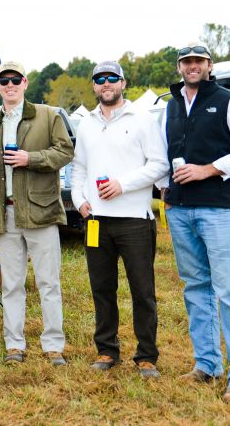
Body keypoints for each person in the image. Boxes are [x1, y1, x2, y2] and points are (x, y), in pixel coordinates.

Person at [162, 43, 230, 404]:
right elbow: (163, 155)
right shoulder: (171, 105)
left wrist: (208, 169)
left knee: (229, 292)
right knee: (195, 288)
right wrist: (164, 190)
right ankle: (207, 364)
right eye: (186, 61)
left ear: (209, 65)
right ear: (180, 67)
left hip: (218, 209)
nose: (192, 66)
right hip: (179, 210)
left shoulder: (228, 101)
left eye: (198, 61)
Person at [71, 61, 169, 378]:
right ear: (95, 86)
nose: (106, 83)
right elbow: (79, 167)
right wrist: (79, 200)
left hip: (134, 220)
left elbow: (159, 165)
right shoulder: (86, 123)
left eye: (112, 78)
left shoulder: (142, 120)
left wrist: (122, 184)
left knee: (142, 290)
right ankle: (106, 350)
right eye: (99, 79)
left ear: (123, 83)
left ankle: (146, 355)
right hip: (96, 220)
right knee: (102, 288)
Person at [0, 61, 73, 366]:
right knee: (11, 284)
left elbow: (65, 151)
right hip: (5, 214)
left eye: (15, 80)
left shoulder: (48, 115)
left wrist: (30, 158)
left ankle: (53, 346)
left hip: (41, 211)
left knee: (48, 282)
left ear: (25, 83)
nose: (9, 85)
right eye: (3, 80)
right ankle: (14, 345)